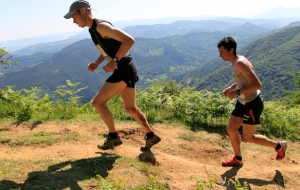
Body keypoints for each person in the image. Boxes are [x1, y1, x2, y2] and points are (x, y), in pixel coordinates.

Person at [64, 0, 161, 151]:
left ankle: (113, 137)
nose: (74, 21)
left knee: (98, 103)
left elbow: (129, 40)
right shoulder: (93, 29)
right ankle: (151, 135)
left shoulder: (100, 26)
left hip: (123, 68)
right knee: (130, 108)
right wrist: (97, 62)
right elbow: (108, 49)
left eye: (74, 17)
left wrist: (114, 61)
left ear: (82, 11)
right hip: (126, 67)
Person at [217, 36, 287, 166]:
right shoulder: (235, 62)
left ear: (231, 50)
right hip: (242, 101)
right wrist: (231, 88)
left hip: (252, 103)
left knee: (248, 137)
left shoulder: (240, 63)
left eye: (222, 52)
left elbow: (257, 84)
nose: (220, 55)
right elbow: (241, 80)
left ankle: (278, 146)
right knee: (232, 129)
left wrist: (236, 92)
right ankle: (238, 159)